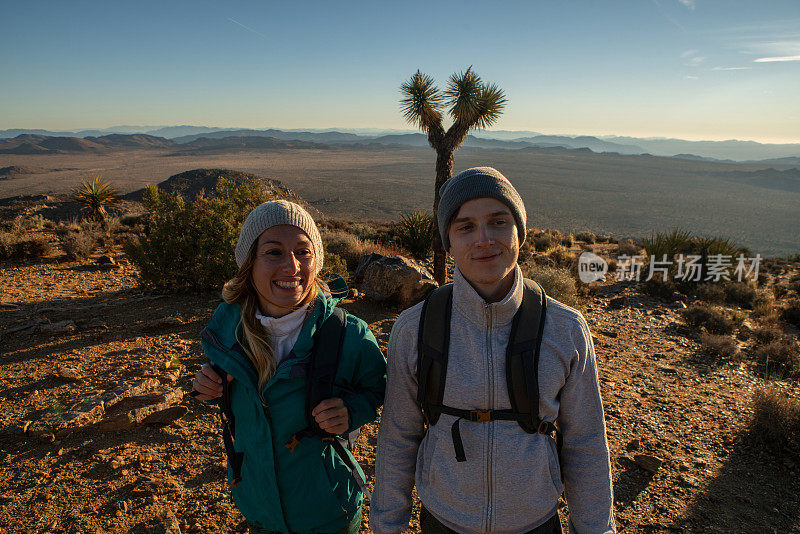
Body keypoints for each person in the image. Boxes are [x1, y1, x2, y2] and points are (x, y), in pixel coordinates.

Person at [371, 167, 615, 534]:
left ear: (521, 233)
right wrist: (388, 525)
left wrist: (596, 529)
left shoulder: (565, 329)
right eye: (465, 227)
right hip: (444, 520)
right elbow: (398, 437)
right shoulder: (415, 328)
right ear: (448, 242)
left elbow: (586, 441)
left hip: (534, 521)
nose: (484, 239)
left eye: (499, 222)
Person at [192, 200, 387, 534]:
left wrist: (351, 411)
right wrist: (205, 387)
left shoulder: (347, 333)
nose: (292, 266)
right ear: (249, 263)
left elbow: (378, 388)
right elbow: (221, 382)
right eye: (273, 252)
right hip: (258, 505)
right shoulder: (228, 330)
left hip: (327, 509)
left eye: (303, 251)